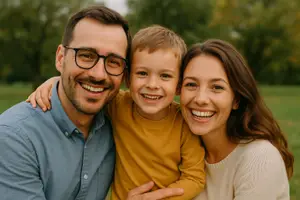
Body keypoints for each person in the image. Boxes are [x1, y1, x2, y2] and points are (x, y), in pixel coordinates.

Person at [0, 5, 183, 200]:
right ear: (61, 58)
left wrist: (59, 80)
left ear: (124, 74)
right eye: (86, 56)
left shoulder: (118, 117)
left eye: (113, 61)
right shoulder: (14, 138)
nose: (98, 74)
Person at [27, 25, 206, 200]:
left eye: (165, 76)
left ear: (178, 85)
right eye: (142, 73)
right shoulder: (118, 105)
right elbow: (83, 88)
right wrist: (55, 81)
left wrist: (157, 198)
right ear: (127, 78)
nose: (152, 84)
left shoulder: (183, 122)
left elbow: (194, 178)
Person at [179, 39, 294, 199]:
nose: (201, 98)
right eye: (191, 84)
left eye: (217, 87)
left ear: (236, 100)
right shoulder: (178, 150)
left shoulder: (259, 159)